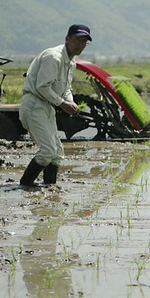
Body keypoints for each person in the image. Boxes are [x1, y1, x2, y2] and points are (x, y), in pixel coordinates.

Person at [18, 24, 92, 186]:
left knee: (57, 153)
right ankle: (24, 186)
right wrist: (62, 103)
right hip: (34, 104)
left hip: (47, 106)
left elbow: (65, 89)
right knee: (47, 151)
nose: (81, 46)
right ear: (67, 39)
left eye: (84, 43)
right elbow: (42, 86)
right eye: (78, 41)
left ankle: (49, 187)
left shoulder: (71, 63)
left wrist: (70, 101)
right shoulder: (53, 57)